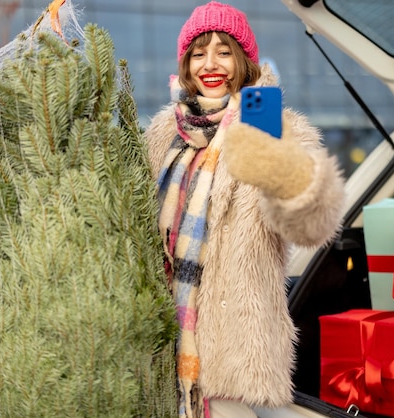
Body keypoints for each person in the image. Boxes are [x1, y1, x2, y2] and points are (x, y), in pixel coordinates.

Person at [143, 2, 346, 417]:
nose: (210, 64)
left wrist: (282, 173)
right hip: (169, 338)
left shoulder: (276, 127)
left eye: (223, 50)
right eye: (198, 53)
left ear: (244, 60)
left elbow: (313, 226)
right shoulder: (164, 135)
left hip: (238, 346)